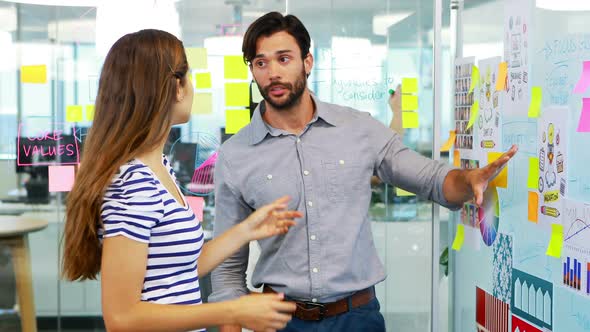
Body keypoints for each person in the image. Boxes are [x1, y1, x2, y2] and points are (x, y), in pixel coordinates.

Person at [210, 12, 518, 332]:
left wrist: (468, 180)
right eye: (260, 63)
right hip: (280, 320)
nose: (272, 73)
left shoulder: (358, 129)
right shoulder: (236, 155)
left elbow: (431, 179)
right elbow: (227, 269)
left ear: (307, 62)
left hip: (357, 318)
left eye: (284, 59)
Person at [61, 29, 299, 332]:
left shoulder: (159, 169)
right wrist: (232, 311)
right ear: (176, 87)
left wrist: (247, 230)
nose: (193, 86)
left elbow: (180, 270)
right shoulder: (133, 185)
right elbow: (121, 317)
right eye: (190, 75)